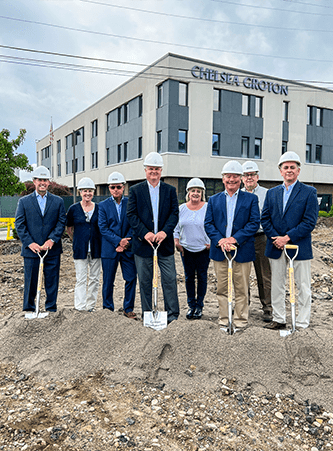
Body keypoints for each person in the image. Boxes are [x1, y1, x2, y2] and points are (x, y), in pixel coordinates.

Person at [261, 151, 319, 330]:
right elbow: (265, 219)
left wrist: (287, 237)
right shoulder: (272, 193)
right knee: (277, 284)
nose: (289, 170)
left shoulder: (309, 192)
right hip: (276, 246)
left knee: (302, 285)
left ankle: (302, 322)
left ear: (298, 170)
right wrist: (277, 239)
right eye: (285, 167)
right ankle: (279, 319)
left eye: (292, 167)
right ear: (280, 171)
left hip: (299, 246)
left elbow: (309, 222)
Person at [205, 160, 260, 328]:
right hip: (220, 250)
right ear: (223, 179)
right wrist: (221, 240)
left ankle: (240, 320)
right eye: (228, 176)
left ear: (241, 178)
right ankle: (223, 319)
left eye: (236, 176)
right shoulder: (213, 200)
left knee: (241, 288)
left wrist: (234, 239)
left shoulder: (251, 199)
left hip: (241, 250)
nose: (232, 180)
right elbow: (208, 224)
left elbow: (254, 223)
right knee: (222, 288)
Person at [127, 152, 179, 324]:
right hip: (143, 245)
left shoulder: (170, 190)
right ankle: (148, 314)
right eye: (151, 169)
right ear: (145, 170)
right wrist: (145, 233)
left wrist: (165, 232)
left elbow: (174, 214)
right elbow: (132, 215)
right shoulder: (135, 190)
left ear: (161, 170)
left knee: (170, 279)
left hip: (164, 244)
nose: (154, 172)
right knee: (145, 281)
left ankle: (172, 315)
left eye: (157, 169)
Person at [15, 165, 66, 312]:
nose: (42, 182)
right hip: (32, 251)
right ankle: (29, 309)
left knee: (52, 281)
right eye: (39, 180)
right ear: (34, 181)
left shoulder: (58, 201)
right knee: (30, 282)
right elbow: (20, 224)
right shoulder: (24, 202)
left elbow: (61, 222)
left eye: (45, 180)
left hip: (52, 250)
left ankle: (50, 309)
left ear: (49, 182)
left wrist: (52, 240)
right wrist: (30, 243)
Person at [98, 172, 137, 319]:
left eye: (118, 187)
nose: (116, 190)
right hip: (110, 249)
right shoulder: (103, 206)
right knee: (108, 280)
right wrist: (118, 241)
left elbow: (135, 224)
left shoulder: (131, 204)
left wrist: (126, 243)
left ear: (123, 187)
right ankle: (108, 309)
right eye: (113, 187)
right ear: (109, 188)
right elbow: (103, 227)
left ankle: (128, 308)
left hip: (127, 249)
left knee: (131, 278)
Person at [174, 178, 210, 320]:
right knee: (189, 277)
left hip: (203, 249)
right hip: (186, 249)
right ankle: (191, 305)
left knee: (202, 277)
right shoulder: (181, 208)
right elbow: (176, 228)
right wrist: (177, 241)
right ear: (188, 193)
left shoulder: (208, 207)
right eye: (193, 191)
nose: (195, 193)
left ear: (202, 193)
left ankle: (199, 306)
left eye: (198, 191)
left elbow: (213, 224)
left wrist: (211, 242)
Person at [242, 161, 272, 323]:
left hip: (262, 238)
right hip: (244, 240)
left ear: (257, 177)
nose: (249, 178)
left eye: (252, 175)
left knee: (264, 275)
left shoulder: (267, 194)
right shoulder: (238, 194)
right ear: (242, 178)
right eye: (246, 175)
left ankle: (268, 308)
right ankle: (243, 306)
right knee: (243, 275)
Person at [66, 177, 101, 312]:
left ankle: (90, 306)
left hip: (96, 249)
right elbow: (69, 228)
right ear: (80, 192)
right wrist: (76, 240)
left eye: (90, 191)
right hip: (80, 249)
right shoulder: (73, 209)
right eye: (85, 191)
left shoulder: (98, 208)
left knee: (94, 279)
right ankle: (80, 307)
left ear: (93, 192)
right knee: (81, 279)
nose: (87, 193)